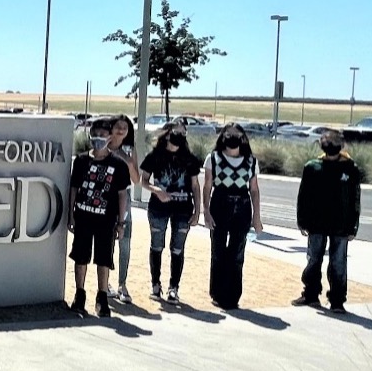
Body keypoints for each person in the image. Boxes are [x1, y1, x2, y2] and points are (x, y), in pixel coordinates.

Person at [65, 116, 132, 318]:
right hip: (83, 217)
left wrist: (121, 223)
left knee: (104, 258)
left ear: (110, 137)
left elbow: (122, 195)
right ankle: (80, 294)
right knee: (80, 256)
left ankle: (102, 297)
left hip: (106, 221)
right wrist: (71, 214)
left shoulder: (118, 165)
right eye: (95, 135)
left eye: (103, 135)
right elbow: (74, 189)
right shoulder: (82, 161)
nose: (98, 138)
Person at [294, 129, 360, 314]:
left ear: (341, 146)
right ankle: (311, 294)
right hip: (316, 223)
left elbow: (355, 198)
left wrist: (353, 225)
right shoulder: (312, 167)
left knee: (338, 263)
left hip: (341, 225)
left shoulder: (350, 168)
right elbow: (303, 195)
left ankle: (337, 300)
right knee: (313, 259)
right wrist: (302, 220)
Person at [136, 123, 202, 305]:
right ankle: (155, 285)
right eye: (176, 132)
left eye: (183, 133)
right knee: (157, 246)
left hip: (183, 209)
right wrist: (158, 191)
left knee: (178, 248)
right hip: (158, 208)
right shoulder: (155, 156)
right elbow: (144, 181)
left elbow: (195, 186)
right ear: (167, 134)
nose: (180, 136)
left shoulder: (189, 159)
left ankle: (174, 287)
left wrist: (198, 211)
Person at [201, 123, 263, 311]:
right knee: (218, 251)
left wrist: (257, 217)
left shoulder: (251, 161)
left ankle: (233, 296)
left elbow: (254, 189)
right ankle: (217, 293)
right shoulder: (213, 158)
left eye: (236, 134)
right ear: (223, 136)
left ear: (243, 138)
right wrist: (206, 211)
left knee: (237, 253)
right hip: (220, 203)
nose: (233, 137)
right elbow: (207, 186)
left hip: (242, 206)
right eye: (229, 134)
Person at [104, 114, 141, 304]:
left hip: (124, 198)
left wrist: (127, 160)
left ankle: (122, 283)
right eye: (118, 126)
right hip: (105, 197)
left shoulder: (129, 149)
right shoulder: (102, 145)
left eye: (124, 127)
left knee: (124, 240)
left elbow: (136, 180)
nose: (121, 130)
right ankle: (105, 282)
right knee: (106, 241)